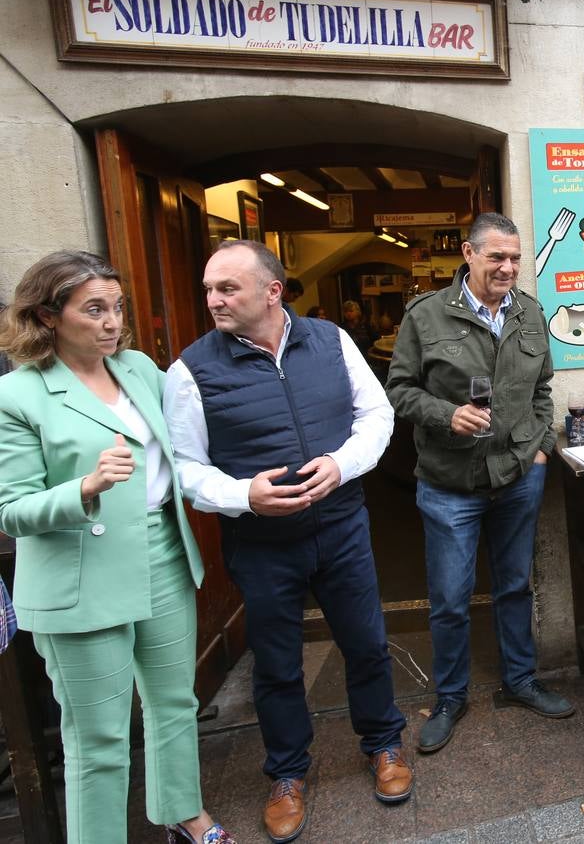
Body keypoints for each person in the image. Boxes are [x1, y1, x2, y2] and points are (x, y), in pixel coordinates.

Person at [163, 240, 408, 843]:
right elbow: (185, 468)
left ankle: (383, 744)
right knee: (275, 664)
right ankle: (288, 774)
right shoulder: (190, 371)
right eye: (209, 290)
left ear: (272, 291)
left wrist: (343, 465)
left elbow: (376, 415)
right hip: (262, 543)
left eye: (228, 288)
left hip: (341, 524)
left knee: (367, 642)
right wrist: (245, 495)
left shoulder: (330, 340)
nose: (214, 300)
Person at [0, 251, 234, 844]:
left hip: (162, 555)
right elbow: (11, 510)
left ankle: (184, 814)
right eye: (94, 309)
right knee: (98, 737)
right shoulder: (18, 395)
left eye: (118, 307)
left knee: (174, 704)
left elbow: (186, 446)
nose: (112, 322)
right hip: (79, 572)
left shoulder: (138, 369)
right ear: (49, 316)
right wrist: (84, 487)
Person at [385, 212, 573, 759]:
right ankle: (449, 698)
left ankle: (521, 681)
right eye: (497, 257)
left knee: (516, 586)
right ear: (468, 255)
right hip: (450, 483)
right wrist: (446, 414)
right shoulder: (425, 316)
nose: (508, 267)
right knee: (448, 598)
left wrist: (539, 450)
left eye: (515, 258)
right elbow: (397, 390)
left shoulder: (530, 314)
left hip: (518, 477)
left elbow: (543, 388)